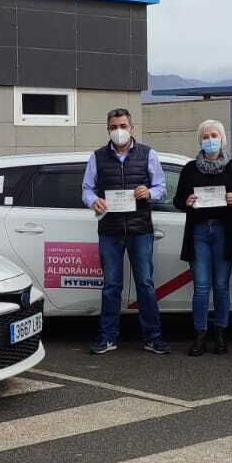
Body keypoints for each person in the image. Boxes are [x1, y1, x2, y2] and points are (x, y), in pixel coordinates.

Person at [82, 108, 168, 356]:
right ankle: (107, 337)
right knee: (111, 285)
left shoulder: (148, 154)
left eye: (123, 126)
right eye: (113, 127)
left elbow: (162, 187)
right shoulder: (97, 157)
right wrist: (93, 201)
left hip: (141, 228)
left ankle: (154, 337)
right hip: (110, 230)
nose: (118, 131)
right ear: (108, 130)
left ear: (132, 129)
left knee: (145, 283)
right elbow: (87, 190)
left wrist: (149, 192)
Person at [172, 119, 232, 356]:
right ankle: (200, 335)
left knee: (222, 286)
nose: (210, 140)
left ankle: (221, 334)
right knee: (202, 287)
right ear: (200, 140)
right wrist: (187, 201)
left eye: (214, 135)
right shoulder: (190, 169)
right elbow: (177, 201)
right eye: (205, 136)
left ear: (222, 139)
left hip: (224, 231)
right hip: (199, 231)